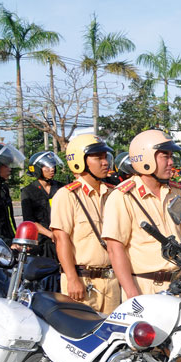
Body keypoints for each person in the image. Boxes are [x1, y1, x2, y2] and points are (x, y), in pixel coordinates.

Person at [102, 129, 181, 297]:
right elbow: (115, 249)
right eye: (165, 156)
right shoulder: (123, 196)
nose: (171, 162)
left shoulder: (174, 192)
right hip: (145, 287)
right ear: (145, 158)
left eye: (172, 156)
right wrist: (132, 294)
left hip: (179, 284)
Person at [50, 134, 120, 312]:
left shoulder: (113, 194)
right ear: (79, 162)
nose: (105, 162)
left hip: (112, 281)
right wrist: (73, 279)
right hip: (82, 281)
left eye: (106, 157)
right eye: (98, 158)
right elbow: (61, 239)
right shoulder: (67, 195)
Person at [22, 151, 64, 259]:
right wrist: (50, 234)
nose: (52, 169)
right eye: (47, 166)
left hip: (62, 240)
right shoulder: (28, 191)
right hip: (41, 244)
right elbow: (30, 221)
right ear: (37, 169)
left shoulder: (61, 188)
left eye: (53, 166)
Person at [0, 145, 25, 243]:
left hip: (8, 244)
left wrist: (16, 240)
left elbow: (10, 220)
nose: (10, 169)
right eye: (6, 165)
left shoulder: (4, 190)